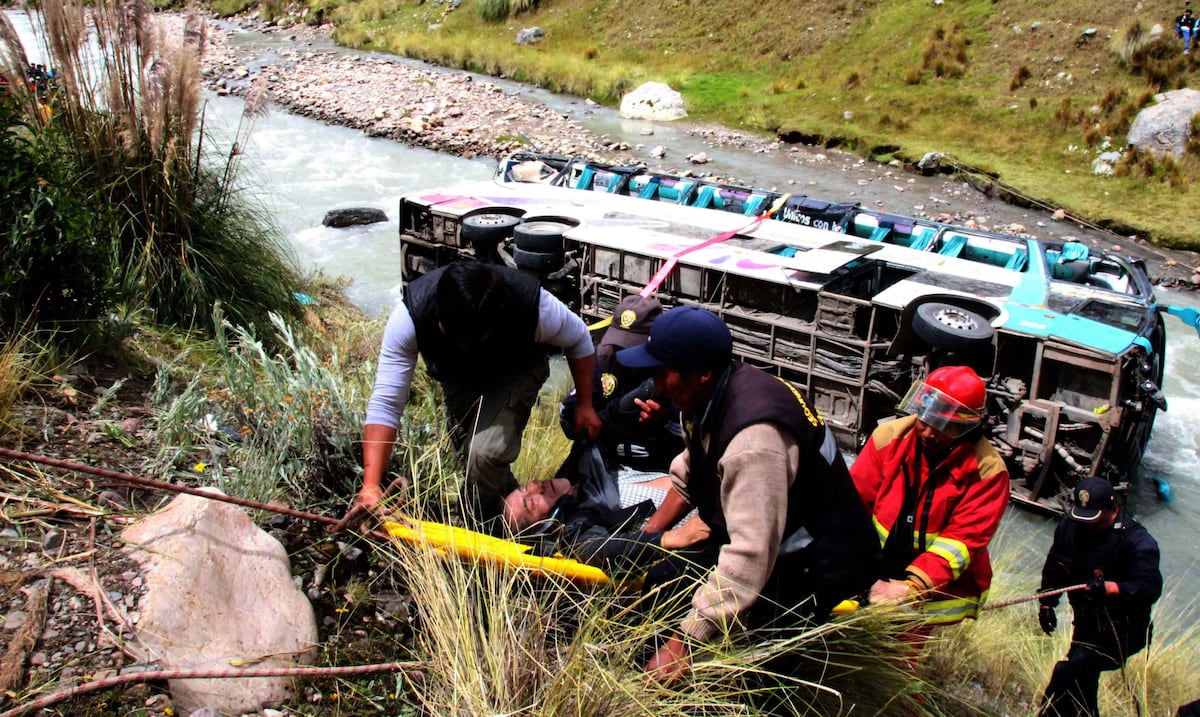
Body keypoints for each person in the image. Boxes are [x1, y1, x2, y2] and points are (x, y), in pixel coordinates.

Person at [614, 306, 881, 684]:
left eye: (661, 373)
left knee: (756, 675)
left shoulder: (754, 443)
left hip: (815, 561)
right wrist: (648, 541)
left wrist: (683, 643)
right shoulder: (708, 395)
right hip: (771, 536)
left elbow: (750, 555)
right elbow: (691, 473)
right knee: (662, 579)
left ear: (700, 373)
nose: (655, 385)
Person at [350, 261, 602, 524]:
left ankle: (473, 528)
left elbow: (579, 338)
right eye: (456, 338)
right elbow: (387, 403)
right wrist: (370, 486)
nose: (464, 346)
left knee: (486, 453)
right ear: (439, 319)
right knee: (472, 459)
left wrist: (585, 404)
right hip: (457, 377)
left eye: (474, 338)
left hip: (516, 367)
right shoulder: (410, 317)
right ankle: (523, 522)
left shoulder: (532, 304)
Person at [850, 365, 1008, 626]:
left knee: (902, 650)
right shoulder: (888, 439)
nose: (928, 432)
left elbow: (960, 542)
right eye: (925, 418)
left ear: (967, 427)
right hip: (878, 565)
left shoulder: (987, 472)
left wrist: (909, 590)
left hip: (932, 586)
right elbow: (854, 506)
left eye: (944, 426)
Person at [1036, 476, 1162, 717]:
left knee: (1069, 671)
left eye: (1093, 520)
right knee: (1082, 682)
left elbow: (1150, 587)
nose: (1085, 525)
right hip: (1086, 624)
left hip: (1123, 630)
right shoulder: (1070, 528)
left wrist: (1111, 588)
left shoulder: (1137, 542)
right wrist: (1047, 604)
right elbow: (1055, 565)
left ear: (1114, 511)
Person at [558, 294, 680, 471]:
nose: (622, 355)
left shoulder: (671, 371)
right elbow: (569, 419)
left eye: (632, 348)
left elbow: (691, 441)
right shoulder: (601, 360)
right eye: (618, 345)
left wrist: (663, 420)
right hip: (603, 455)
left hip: (654, 466)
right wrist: (588, 415)